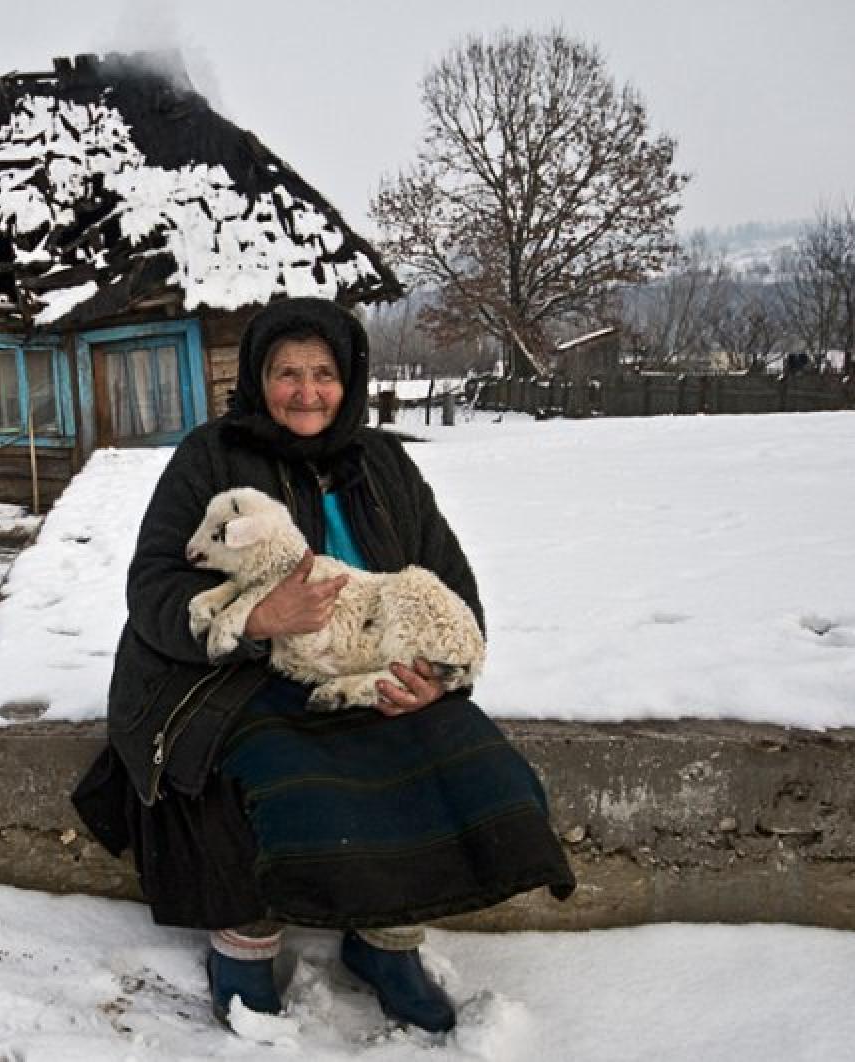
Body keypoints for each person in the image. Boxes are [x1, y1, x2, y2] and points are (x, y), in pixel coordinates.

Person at [73, 297, 575, 1034]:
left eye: (324, 374)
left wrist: (437, 676)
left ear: (349, 380)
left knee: (461, 752)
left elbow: (449, 586)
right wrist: (258, 619)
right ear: (257, 377)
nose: (306, 392)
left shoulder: (383, 463)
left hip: (361, 665)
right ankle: (244, 948)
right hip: (227, 675)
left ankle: (386, 943)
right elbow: (153, 588)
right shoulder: (212, 457)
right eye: (287, 373)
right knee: (267, 771)